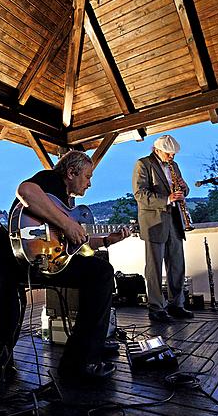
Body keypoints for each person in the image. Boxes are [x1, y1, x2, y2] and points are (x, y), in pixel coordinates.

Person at [10, 150, 130, 380]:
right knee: (101, 273)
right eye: (87, 176)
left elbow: (79, 246)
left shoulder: (68, 203)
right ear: (71, 172)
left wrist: (106, 241)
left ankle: (91, 343)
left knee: (98, 268)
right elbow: (25, 191)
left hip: (56, 262)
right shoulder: (49, 180)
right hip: (33, 262)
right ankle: (81, 362)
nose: (90, 183)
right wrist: (66, 223)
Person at [132, 135, 194, 323]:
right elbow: (140, 194)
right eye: (169, 153)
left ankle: (177, 305)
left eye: (174, 153)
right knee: (154, 268)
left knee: (177, 265)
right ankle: (156, 308)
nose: (172, 156)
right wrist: (167, 199)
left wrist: (184, 189)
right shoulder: (143, 164)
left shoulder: (174, 166)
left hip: (174, 221)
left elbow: (183, 191)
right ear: (157, 150)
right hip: (154, 222)